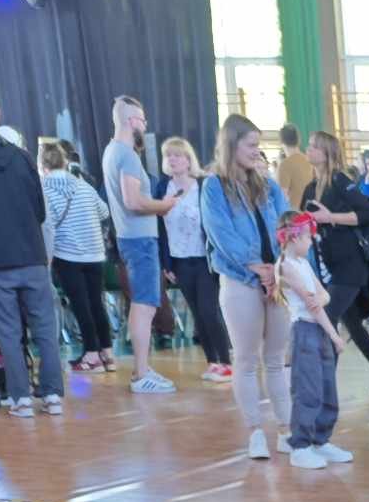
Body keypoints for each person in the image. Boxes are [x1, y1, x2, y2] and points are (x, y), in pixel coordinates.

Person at [0, 84, 65, 415]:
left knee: (8, 331)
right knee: (45, 328)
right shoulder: (22, 157)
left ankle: (20, 399)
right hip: (31, 255)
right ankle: (52, 396)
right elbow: (40, 210)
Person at [200, 112, 290, 459]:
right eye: (251, 144)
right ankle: (255, 432)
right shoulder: (214, 187)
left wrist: (278, 267)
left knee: (276, 359)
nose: (256, 151)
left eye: (258, 145)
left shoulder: (269, 187)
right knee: (247, 358)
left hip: (276, 278)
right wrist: (255, 267)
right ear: (232, 144)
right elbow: (220, 234)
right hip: (240, 280)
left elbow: (286, 225)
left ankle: (286, 430)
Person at [303, 129, 369, 393]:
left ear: (327, 153)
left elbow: (368, 214)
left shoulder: (341, 182)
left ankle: (325, 387)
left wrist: (331, 217)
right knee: (351, 322)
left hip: (350, 265)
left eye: (314, 146)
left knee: (328, 318)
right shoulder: (310, 188)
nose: (308, 149)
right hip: (327, 266)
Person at [102, 95, 180, 393]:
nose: (145, 126)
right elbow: (133, 201)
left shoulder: (113, 151)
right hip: (139, 239)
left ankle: (142, 369)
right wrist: (165, 205)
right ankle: (141, 372)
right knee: (145, 305)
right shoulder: (126, 155)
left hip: (131, 237)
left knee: (143, 303)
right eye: (143, 120)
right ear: (132, 121)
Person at [272, 208, 350, 469]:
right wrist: (335, 335)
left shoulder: (304, 264)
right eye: (307, 236)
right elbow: (313, 305)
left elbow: (322, 296)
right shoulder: (286, 266)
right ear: (293, 237)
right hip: (305, 331)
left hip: (318, 329)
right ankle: (301, 446)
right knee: (308, 390)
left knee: (327, 387)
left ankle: (321, 439)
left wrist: (319, 300)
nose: (311, 240)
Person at [156, 136, 233, 383]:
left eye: (178, 155)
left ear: (189, 160)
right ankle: (212, 362)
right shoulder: (162, 188)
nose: (173, 159)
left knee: (210, 311)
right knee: (197, 314)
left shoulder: (203, 184)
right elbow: (160, 229)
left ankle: (226, 361)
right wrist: (166, 263)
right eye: (168, 155)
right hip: (179, 260)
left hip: (204, 259)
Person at [39, 137, 116, 375]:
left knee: (80, 305)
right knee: (96, 303)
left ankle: (91, 356)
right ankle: (107, 354)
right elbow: (104, 211)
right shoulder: (83, 184)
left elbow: (48, 225)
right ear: (65, 161)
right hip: (95, 254)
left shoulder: (45, 189)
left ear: (43, 165)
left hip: (68, 255)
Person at [274, 123, 313, 207]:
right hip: (311, 211)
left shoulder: (285, 165)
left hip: (295, 213)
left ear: (281, 142)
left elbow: (281, 198)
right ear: (299, 140)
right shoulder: (310, 160)